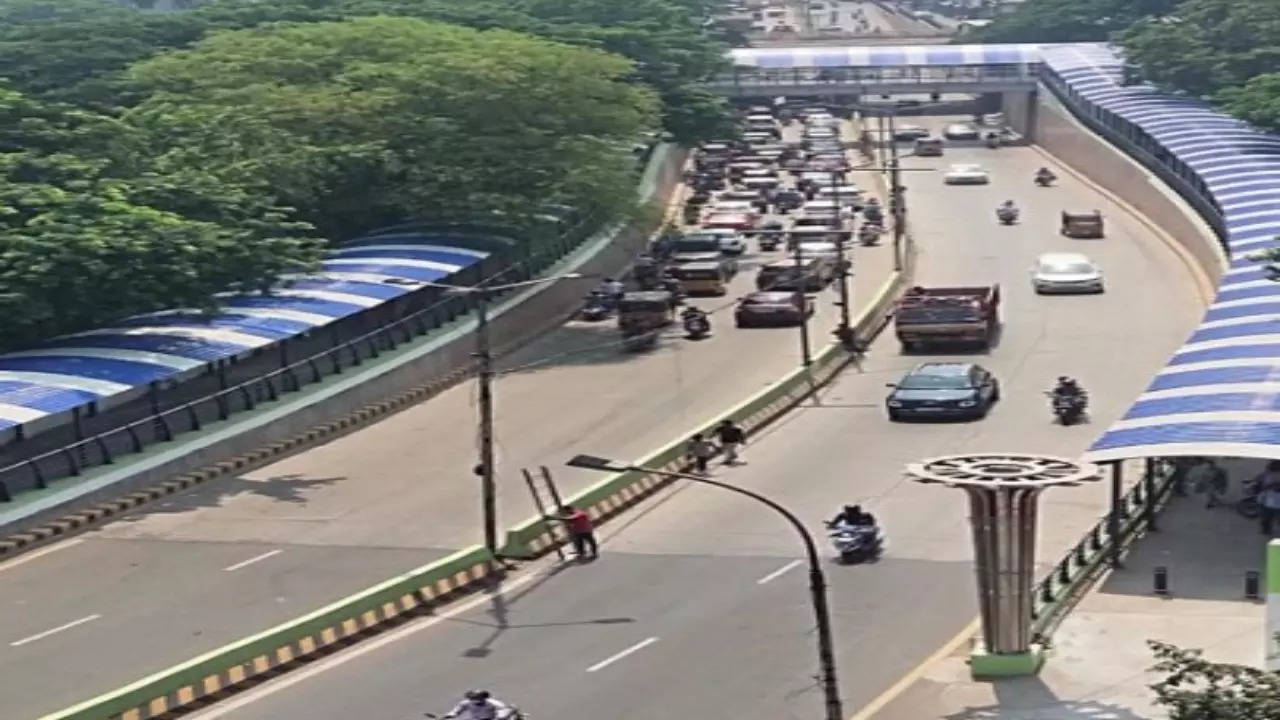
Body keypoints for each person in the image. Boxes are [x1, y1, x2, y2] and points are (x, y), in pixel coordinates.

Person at [443, 690, 512, 720]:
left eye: (478, 697)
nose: (475, 699)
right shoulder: (466, 702)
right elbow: (457, 710)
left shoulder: (492, 702)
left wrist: (500, 716)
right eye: (473, 697)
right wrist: (450, 715)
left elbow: (503, 708)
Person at [1255, 461, 1280, 535]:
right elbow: (1258, 479)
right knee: (1266, 518)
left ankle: (1266, 529)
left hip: (1267, 501)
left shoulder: (1266, 473)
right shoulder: (1266, 473)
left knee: (1266, 517)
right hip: (1268, 501)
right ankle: (1266, 529)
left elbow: (1257, 479)